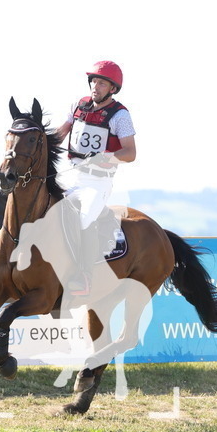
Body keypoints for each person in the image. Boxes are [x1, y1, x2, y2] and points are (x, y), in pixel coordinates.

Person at [56, 61, 136, 295]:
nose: (95, 86)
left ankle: (84, 275)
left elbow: (130, 153)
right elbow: (61, 134)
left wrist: (106, 157)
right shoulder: (78, 105)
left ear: (112, 89)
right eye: (93, 81)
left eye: (101, 83)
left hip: (97, 182)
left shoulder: (120, 115)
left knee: (82, 220)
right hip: (71, 175)